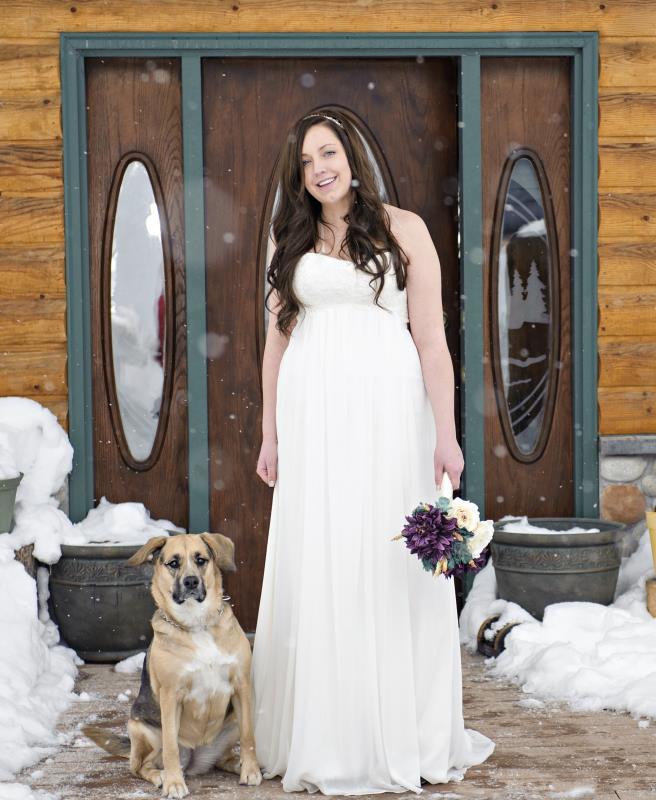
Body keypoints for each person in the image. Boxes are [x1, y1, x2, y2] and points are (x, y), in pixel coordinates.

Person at [251, 109, 495, 796]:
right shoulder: (292, 238)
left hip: (389, 413)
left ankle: (396, 729)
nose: (318, 168)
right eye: (304, 162)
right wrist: (270, 429)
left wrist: (447, 435)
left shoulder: (403, 228)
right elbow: (275, 343)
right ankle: (326, 729)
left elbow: (432, 343)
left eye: (327, 153)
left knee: (383, 555)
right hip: (312, 416)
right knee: (323, 550)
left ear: (352, 157)